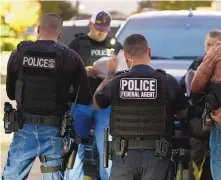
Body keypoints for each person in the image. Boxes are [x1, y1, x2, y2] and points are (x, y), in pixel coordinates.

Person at [2, 13, 91, 180]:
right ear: (60, 34)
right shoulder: (71, 57)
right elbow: (85, 98)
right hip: (54, 131)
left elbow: (11, 93)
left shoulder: (19, 54)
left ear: (37, 29)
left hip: (23, 129)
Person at [93, 34, 189, 180]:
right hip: (157, 155)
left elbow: (97, 103)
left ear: (125, 56)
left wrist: (110, 73)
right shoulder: (166, 81)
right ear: (149, 52)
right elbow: (185, 112)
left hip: (123, 156)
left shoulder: (117, 81)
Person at [67, 11, 123, 180]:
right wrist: (83, 72)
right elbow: (65, 70)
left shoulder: (116, 47)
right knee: (76, 147)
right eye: (98, 28)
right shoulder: (77, 43)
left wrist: (111, 73)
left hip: (105, 107)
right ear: (90, 24)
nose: (101, 32)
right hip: (81, 104)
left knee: (106, 147)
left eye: (104, 29)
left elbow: (124, 73)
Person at [179, 30, 221, 180]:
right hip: (199, 119)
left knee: (215, 157)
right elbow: (185, 86)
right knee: (197, 158)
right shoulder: (197, 63)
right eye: (208, 44)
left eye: (213, 45)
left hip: (215, 117)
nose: (210, 48)